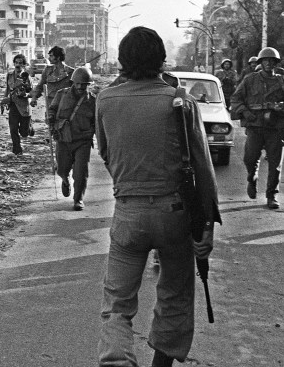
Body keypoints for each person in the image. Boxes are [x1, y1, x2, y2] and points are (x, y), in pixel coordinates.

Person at [96, 27, 220, 367]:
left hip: (128, 213)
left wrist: (130, 182)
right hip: (175, 213)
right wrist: (206, 225)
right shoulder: (181, 101)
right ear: (160, 61)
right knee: (175, 295)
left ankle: (117, 360)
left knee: (117, 304)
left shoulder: (105, 100)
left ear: (122, 62)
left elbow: (106, 153)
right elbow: (203, 169)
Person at [230, 47, 284, 210]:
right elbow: (235, 99)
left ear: (276, 63)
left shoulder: (282, 81)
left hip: (275, 127)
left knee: (275, 164)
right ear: (260, 62)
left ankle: (271, 195)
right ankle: (251, 177)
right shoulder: (249, 80)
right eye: (265, 60)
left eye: (272, 61)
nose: (268, 63)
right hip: (255, 126)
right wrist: (246, 112)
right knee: (250, 158)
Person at [47, 66, 96, 210]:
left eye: (84, 84)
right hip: (63, 139)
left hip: (83, 141)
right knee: (62, 168)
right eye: (78, 83)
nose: (81, 87)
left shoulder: (93, 101)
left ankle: (78, 199)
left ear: (88, 85)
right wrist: (50, 118)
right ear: (73, 82)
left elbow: (97, 123)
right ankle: (64, 178)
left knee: (81, 172)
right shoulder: (61, 95)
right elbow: (52, 109)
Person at [1, 54, 33, 155]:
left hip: (24, 106)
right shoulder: (9, 75)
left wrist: (25, 94)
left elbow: (32, 93)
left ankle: (30, 127)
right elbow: (7, 88)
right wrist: (4, 100)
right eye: (16, 63)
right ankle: (17, 149)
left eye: (20, 63)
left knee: (24, 133)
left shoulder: (27, 77)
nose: (18, 65)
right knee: (13, 128)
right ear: (14, 64)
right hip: (13, 104)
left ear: (24, 65)